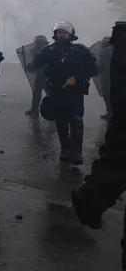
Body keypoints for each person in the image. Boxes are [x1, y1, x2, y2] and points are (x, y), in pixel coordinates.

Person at [71, 21, 126, 269]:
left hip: (73, 96)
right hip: (58, 93)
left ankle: (73, 151)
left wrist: (93, 196)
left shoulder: (81, 50)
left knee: (75, 123)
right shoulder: (52, 50)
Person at [34, 21, 97, 165]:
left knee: (76, 120)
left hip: (75, 91)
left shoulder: (80, 50)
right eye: (59, 32)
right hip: (57, 90)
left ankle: (76, 153)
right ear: (55, 34)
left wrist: (76, 77)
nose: (62, 35)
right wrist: (42, 51)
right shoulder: (50, 50)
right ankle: (65, 149)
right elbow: (37, 63)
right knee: (61, 121)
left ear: (71, 34)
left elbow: (93, 69)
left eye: (65, 32)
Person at [25, 35, 49, 117]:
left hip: (42, 75)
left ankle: (34, 110)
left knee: (37, 93)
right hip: (48, 75)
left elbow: (38, 63)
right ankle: (56, 110)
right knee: (50, 93)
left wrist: (31, 67)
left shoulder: (41, 51)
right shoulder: (50, 49)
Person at [98, 36, 113, 120]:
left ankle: (111, 112)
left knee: (107, 94)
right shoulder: (117, 48)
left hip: (106, 76)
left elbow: (101, 64)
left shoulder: (103, 51)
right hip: (114, 76)